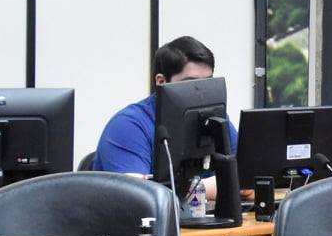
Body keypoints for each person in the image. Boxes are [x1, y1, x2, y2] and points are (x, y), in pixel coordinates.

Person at [94, 35, 238, 179]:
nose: (201, 92)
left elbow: (246, 179)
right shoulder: (128, 125)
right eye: (190, 83)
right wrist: (222, 186)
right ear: (161, 81)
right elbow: (140, 195)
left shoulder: (216, 118)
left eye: (208, 82)